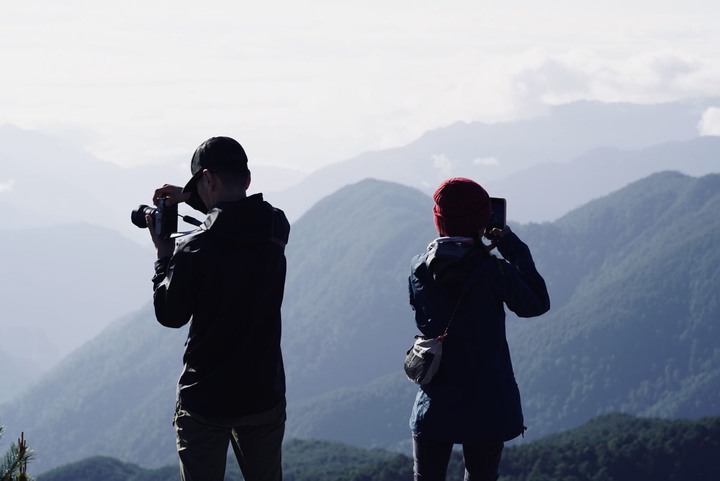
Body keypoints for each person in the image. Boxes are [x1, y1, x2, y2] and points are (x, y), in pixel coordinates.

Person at [146, 136, 290, 481]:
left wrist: (163, 255)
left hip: (205, 398)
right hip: (262, 392)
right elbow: (238, 218)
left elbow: (170, 314)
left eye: (202, 183)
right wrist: (190, 194)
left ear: (208, 179)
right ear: (248, 179)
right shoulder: (276, 229)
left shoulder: (194, 249)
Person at [407, 177, 550, 481]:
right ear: (482, 220)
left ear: (439, 221)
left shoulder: (418, 268)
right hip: (488, 401)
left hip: (434, 400)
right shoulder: (494, 271)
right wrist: (509, 244)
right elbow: (536, 303)